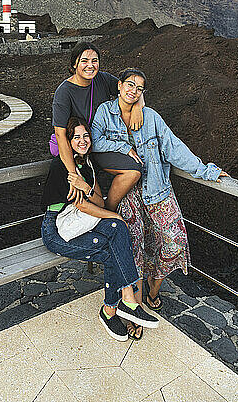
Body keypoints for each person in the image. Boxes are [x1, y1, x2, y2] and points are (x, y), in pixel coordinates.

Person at [91, 68, 229, 338]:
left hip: (157, 190)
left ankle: (154, 290)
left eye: (140, 88)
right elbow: (95, 142)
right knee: (135, 252)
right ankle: (135, 312)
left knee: (174, 241)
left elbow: (173, 147)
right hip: (128, 194)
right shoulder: (104, 113)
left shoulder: (151, 117)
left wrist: (207, 171)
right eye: (130, 85)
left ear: (143, 93)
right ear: (119, 86)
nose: (133, 90)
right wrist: (123, 148)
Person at [41, 116, 159, 341]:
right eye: (76, 137)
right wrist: (115, 216)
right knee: (113, 244)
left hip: (79, 222)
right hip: (56, 231)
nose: (83, 140)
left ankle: (125, 303)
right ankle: (112, 309)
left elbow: (99, 203)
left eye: (86, 136)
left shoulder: (87, 166)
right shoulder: (63, 166)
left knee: (116, 230)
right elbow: (85, 206)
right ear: (68, 140)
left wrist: (86, 186)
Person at [52, 42, 144, 207]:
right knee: (87, 200)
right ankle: (107, 215)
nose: (90, 65)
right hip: (79, 149)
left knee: (134, 169)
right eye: (84, 61)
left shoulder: (103, 79)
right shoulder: (64, 92)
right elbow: (60, 134)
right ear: (74, 64)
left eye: (94, 61)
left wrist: (137, 107)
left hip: (100, 143)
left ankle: (111, 211)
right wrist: (74, 175)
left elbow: (131, 89)